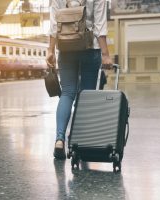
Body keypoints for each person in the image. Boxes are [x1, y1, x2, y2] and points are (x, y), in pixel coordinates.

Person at [46, 0, 113, 159]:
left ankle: (59, 139)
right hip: (90, 48)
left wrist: (50, 50)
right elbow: (100, 26)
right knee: (86, 96)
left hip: (66, 48)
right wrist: (105, 54)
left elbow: (54, 25)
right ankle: (81, 141)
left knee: (67, 93)